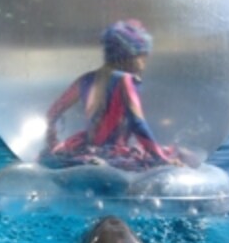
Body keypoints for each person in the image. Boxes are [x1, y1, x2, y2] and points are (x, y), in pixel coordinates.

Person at [42, 19, 190, 171]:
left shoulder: (86, 79)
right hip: (115, 151)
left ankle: (93, 162)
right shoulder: (125, 80)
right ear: (131, 55)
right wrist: (160, 159)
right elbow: (137, 123)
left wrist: (51, 142)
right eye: (143, 55)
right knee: (183, 156)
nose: (145, 62)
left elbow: (53, 112)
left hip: (87, 147)